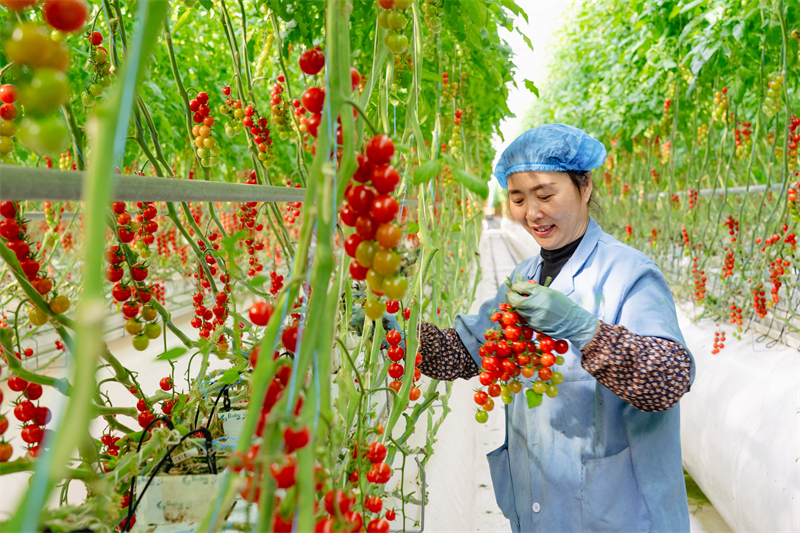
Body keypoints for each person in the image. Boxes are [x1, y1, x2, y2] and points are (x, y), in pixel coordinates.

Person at [417, 124, 695, 533]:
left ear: (584, 186)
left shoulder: (629, 275)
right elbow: (463, 351)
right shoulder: (525, 275)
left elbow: (670, 378)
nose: (531, 213)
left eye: (545, 195)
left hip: (621, 516)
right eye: (517, 199)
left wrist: (583, 329)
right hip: (543, 511)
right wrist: (394, 332)